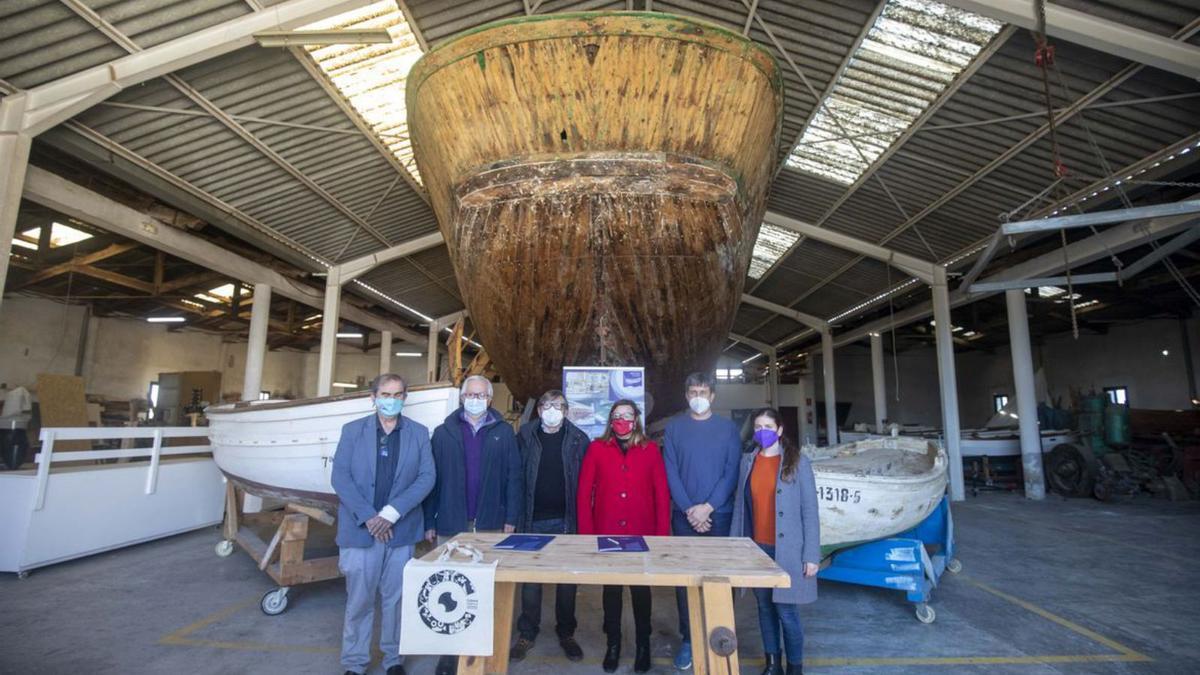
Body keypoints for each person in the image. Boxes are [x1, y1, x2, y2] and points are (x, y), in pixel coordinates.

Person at [330, 373, 435, 675]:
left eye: (397, 395)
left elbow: (427, 478)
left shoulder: (418, 432)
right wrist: (370, 517)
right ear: (373, 397)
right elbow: (341, 477)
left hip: (400, 531)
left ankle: (393, 661)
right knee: (359, 601)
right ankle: (355, 662)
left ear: (405, 398)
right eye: (385, 394)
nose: (391, 400)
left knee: (397, 600)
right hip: (360, 530)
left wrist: (391, 513)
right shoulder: (352, 431)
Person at [423, 374, 523, 675]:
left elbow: (513, 478)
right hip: (452, 522)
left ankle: (482, 647)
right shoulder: (443, 433)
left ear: (490, 400)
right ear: (462, 397)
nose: (476, 399)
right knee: (449, 590)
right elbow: (433, 480)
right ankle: (449, 654)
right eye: (471, 394)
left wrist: (511, 518)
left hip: (491, 523)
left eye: (481, 395)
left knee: (485, 589)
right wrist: (430, 520)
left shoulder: (504, 433)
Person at [577, 399, 670, 674]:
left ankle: (643, 646)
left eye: (627, 415)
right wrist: (587, 536)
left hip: (642, 532)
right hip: (607, 532)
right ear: (610, 420)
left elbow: (662, 495)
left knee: (641, 591)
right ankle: (613, 645)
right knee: (612, 591)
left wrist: (661, 536)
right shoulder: (596, 448)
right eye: (617, 416)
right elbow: (584, 493)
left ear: (636, 419)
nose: (622, 420)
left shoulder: (650, 450)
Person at [662, 372, 742, 670]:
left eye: (703, 391)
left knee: (721, 577)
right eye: (693, 391)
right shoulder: (674, 428)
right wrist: (689, 509)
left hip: (719, 515)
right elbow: (671, 471)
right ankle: (689, 639)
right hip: (684, 517)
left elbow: (731, 472)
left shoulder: (728, 429)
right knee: (685, 580)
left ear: (713, 396)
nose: (698, 396)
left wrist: (707, 507)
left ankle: (721, 632)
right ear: (686, 395)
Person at [731, 408, 820, 675]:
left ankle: (794, 667)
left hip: (788, 551)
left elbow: (810, 512)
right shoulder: (748, 461)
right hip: (757, 548)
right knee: (764, 608)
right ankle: (773, 663)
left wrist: (811, 555)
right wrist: (737, 547)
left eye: (768, 426)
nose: (762, 431)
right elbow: (740, 507)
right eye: (758, 426)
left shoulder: (798, 462)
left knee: (786, 612)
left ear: (780, 430)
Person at [510, 389, 590, 662]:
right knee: (531, 582)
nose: (552, 410)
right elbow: (515, 476)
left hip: (566, 522)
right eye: (546, 405)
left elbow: (589, 484)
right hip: (532, 520)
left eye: (558, 405)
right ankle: (527, 633)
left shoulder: (579, 439)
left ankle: (566, 633)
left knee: (566, 582)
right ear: (539, 410)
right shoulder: (525, 436)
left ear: (566, 411)